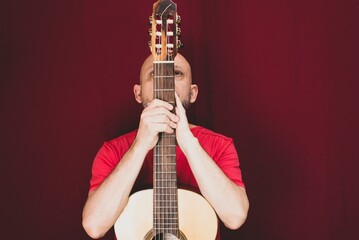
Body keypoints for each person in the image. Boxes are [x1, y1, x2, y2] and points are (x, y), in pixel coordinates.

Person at [82, 54, 249, 239]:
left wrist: (188, 143)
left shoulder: (220, 146)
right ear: (138, 93)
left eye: (176, 73)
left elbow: (235, 217)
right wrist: (139, 146)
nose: (166, 82)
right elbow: (94, 226)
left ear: (193, 93)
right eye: (155, 74)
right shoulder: (112, 151)